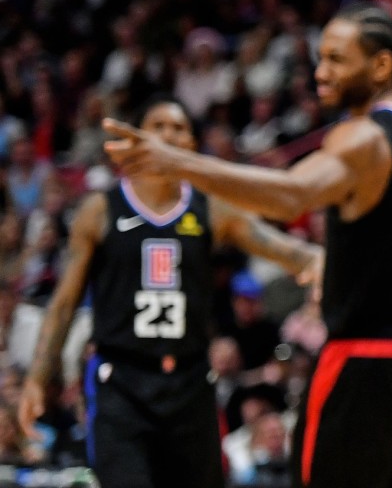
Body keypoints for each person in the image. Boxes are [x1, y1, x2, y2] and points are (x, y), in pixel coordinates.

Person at [101, 1, 392, 488]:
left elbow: (291, 195)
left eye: (337, 60)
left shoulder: (362, 139)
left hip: (362, 363)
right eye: (320, 58)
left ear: (381, 65)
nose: (321, 72)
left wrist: (177, 162)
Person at [17, 95, 325, 488]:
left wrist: (319, 261)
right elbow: (63, 304)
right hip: (122, 383)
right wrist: (38, 378)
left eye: (179, 128)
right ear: (138, 137)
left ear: (191, 145)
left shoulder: (211, 209)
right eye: (158, 126)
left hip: (190, 384)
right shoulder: (100, 209)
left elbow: (289, 252)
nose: (168, 135)